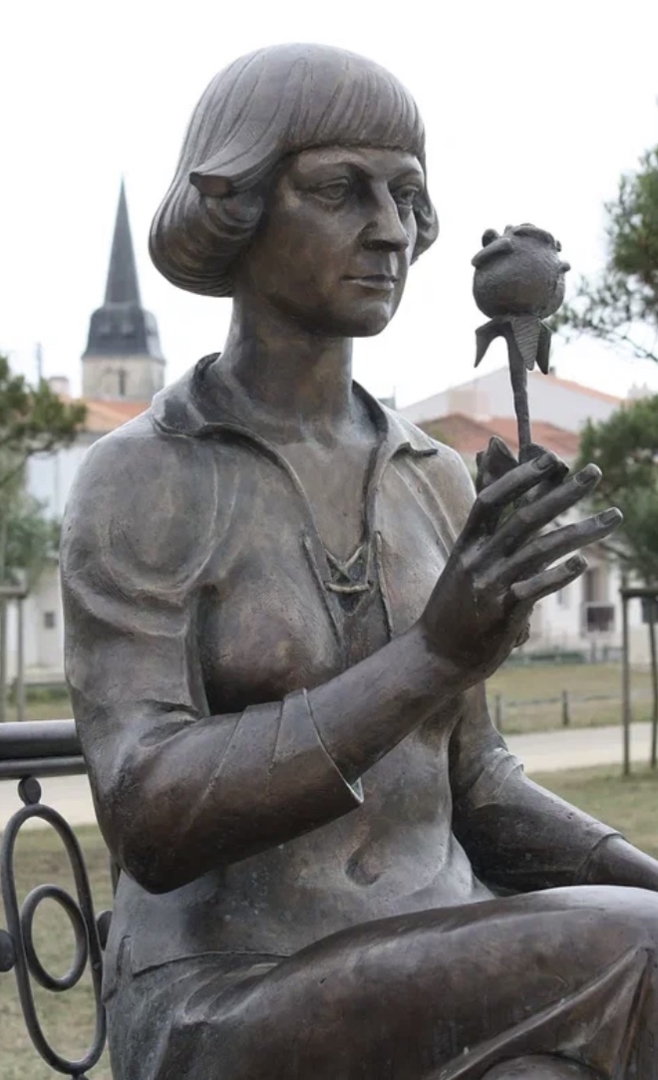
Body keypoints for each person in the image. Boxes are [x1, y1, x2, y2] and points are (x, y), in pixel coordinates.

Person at [61, 44, 658, 1080]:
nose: (392, 229)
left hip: (437, 957)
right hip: (228, 994)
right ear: (236, 205)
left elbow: (478, 786)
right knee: (641, 948)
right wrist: (430, 659)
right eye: (341, 190)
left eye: (408, 196)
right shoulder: (144, 478)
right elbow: (149, 816)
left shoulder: (434, 477)